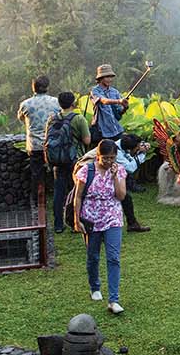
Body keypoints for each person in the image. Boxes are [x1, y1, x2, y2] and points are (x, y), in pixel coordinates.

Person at [75, 139, 127, 314]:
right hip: (91, 218)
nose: (109, 162)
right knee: (93, 256)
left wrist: (114, 178)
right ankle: (94, 286)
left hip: (112, 218)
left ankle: (114, 299)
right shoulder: (86, 171)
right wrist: (77, 220)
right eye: (105, 158)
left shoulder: (118, 170)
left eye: (112, 158)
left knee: (113, 257)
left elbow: (121, 196)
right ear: (98, 156)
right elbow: (79, 196)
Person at [45, 91, 91, 234]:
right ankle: (76, 222)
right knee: (77, 192)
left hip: (57, 162)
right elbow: (87, 140)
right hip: (75, 161)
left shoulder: (52, 119)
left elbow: (47, 140)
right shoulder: (78, 119)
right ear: (73, 103)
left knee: (59, 193)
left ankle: (58, 225)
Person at [17, 75, 61, 202]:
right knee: (55, 171)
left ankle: (36, 199)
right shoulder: (56, 102)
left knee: (36, 173)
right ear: (47, 87)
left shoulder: (25, 104)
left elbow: (21, 119)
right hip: (52, 143)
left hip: (34, 145)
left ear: (33, 88)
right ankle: (56, 196)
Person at [115, 133, 150, 232]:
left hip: (108, 176)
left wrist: (142, 147)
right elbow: (130, 168)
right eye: (137, 147)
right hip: (93, 176)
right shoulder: (116, 153)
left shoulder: (121, 145)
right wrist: (142, 154)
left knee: (126, 198)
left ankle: (132, 224)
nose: (139, 148)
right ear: (129, 149)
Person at [88, 64, 127, 147]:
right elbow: (103, 101)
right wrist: (119, 101)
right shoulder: (94, 91)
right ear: (100, 78)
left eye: (111, 77)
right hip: (101, 131)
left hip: (116, 129)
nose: (110, 79)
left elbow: (119, 112)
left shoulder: (115, 92)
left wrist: (125, 107)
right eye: (107, 77)